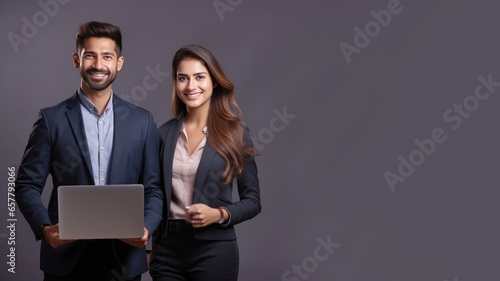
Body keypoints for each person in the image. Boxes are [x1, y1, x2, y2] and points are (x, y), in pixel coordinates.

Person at [15, 21, 163, 281]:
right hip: (65, 259)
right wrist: (45, 228)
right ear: (76, 60)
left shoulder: (142, 121)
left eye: (107, 56)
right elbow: (26, 184)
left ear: (119, 62)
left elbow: (154, 188)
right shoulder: (51, 119)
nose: (98, 64)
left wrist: (147, 227)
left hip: (125, 258)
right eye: (89, 55)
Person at [149, 45, 261, 281]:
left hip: (214, 249)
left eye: (199, 77)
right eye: (183, 78)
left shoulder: (236, 134)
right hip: (166, 249)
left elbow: (252, 201)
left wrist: (219, 214)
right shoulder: (163, 134)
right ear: (175, 83)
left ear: (215, 81)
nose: (191, 86)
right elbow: (152, 192)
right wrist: (148, 248)